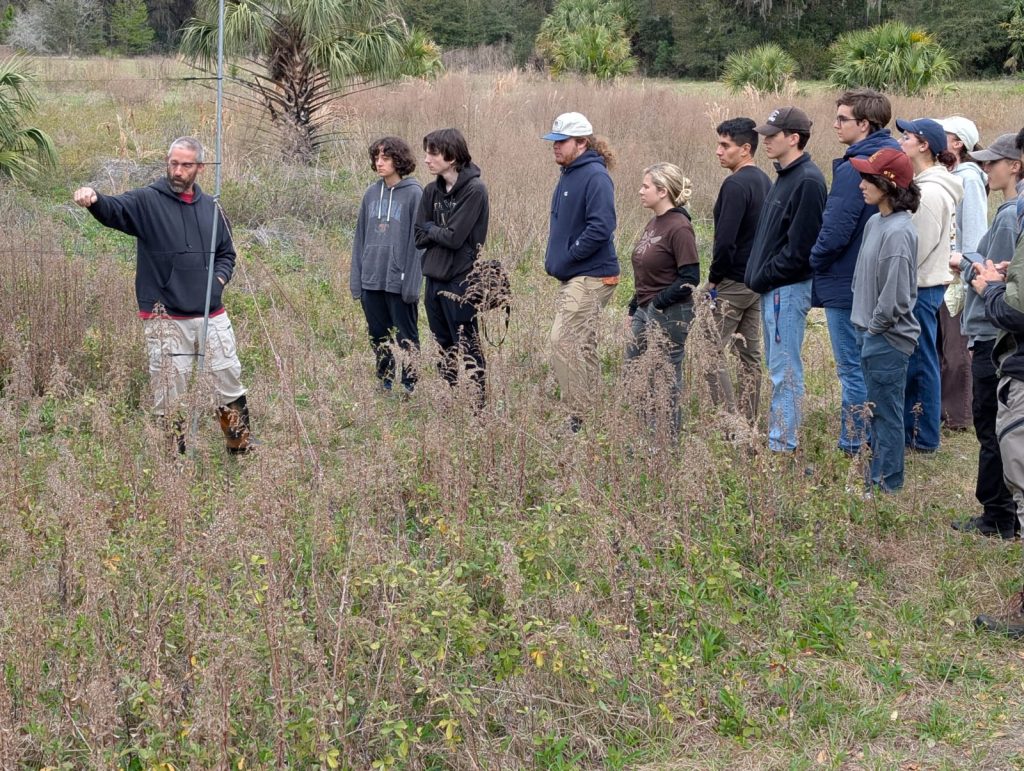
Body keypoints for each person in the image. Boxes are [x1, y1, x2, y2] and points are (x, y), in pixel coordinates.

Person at [72, 136, 253, 454]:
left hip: (211, 313)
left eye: (186, 165)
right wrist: (95, 199)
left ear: (199, 167)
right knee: (170, 393)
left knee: (228, 382)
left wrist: (218, 283)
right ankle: (173, 459)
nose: (178, 171)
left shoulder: (212, 207)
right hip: (166, 317)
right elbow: (115, 210)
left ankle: (238, 446)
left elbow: (226, 253)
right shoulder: (147, 201)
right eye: (173, 163)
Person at [810, 88, 900, 455]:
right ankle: (878, 438)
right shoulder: (894, 155)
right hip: (878, 280)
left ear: (864, 124)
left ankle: (854, 442)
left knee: (852, 368)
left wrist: (814, 260)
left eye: (842, 119)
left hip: (846, 282)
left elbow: (835, 229)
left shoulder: (856, 167)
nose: (835, 125)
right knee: (875, 364)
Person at [949, 133, 1023, 540]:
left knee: (993, 427)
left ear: (1015, 165)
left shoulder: (1012, 214)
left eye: (994, 161)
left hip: (996, 334)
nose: (986, 168)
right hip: (1000, 332)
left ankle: (998, 516)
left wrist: (969, 265)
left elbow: (995, 276)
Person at [744, 106, 827, 453]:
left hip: (786, 290)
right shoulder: (785, 175)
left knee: (785, 369)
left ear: (793, 138)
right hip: (774, 289)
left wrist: (764, 277)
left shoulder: (807, 180)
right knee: (777, 364)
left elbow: (800, 250)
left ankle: (783, 444)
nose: (765, 140)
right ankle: (780, 437)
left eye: (772, 135)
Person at [849, 148, 921, 493]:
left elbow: (895, 297)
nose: (862, 184)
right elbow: (862, 278)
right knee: (874, 410)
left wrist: (875, 328)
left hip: (887, 338)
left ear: (889, 184)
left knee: (886, 414)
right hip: (868, 332)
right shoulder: (875, 222)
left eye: (869, 178)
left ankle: (886, 484)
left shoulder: (899, 232)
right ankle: (875, 477)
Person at [542, 112, 620, 431]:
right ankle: (590, 414)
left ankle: (576, 417)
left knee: (560, 341)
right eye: (554, 142)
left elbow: (602, 226)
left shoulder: (595, 177)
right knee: (583, 344)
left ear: (582, 143)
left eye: (562, 142)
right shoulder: (570, 172)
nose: (556, 147)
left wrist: (571, 256)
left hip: (592, 275)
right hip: (577, 275)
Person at [895, 118, 963, 452]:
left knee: (921, 361)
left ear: (924, 145)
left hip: (922, 285)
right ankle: (915, 430)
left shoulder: (932, 191)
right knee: (920, 358)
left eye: (906, 137)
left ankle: (923, 438)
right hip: (924, 284)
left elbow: (917, 247)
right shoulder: (927, 183)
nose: (901, 141)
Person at [625, 162, 699, 436]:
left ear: (663, 191)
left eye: (646, 186)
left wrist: (657, 303)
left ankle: (666, 441)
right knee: (635, 370)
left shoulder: (679, 227)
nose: (640, 191)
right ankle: (645, 435)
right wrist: (635, 306)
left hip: (670, 313)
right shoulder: (655, 222)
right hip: (645, 308)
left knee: (665, 376)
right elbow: (647, 269)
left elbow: (690, 277)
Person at [414, 128, 489, 398]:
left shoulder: (475, 190)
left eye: (433, 153)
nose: (426, 159)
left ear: (452, 156)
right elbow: (418, 237)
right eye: (426, 153)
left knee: (467, 342)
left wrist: (433, 228)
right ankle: (449, 394)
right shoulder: (430, 191)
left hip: (461, 280)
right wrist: (437, 231)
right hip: (433, 277)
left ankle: (478, 402)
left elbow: (456, 238)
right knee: (442, 342)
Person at [706, 118, 771, 422]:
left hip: (733, 282)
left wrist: (713, 279)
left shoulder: (735, 184)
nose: (718, 151)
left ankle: (730, 422)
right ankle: (750, 419)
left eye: (725, 145)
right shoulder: (764, 180)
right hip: (757, 280)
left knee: (709, 349)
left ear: (745, 149)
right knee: (749, 355)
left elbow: (725, 240)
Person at [350, 136, 423, 393]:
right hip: (372, 278)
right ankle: (385, 381)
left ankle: (410, 385)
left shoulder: (415, 194)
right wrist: (356, 279)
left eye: (386, 158)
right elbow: (360, 237)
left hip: (399, 281)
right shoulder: (371, 194)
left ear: (398, 160)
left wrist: (412, 284)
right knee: (378, 335)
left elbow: (419, 245)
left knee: (406, 337)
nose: (379, 163)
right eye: (376, 158)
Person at [937, 116, 986, 430]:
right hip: (946, 272)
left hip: (959, 274)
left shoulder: (969, 178)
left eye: (945, 134)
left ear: (959, 143)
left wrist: (966, 268)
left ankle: (959, 415)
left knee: (957, 348)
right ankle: (945, 410)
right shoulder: (952, 175)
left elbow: (975, 230)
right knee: (945, 345)